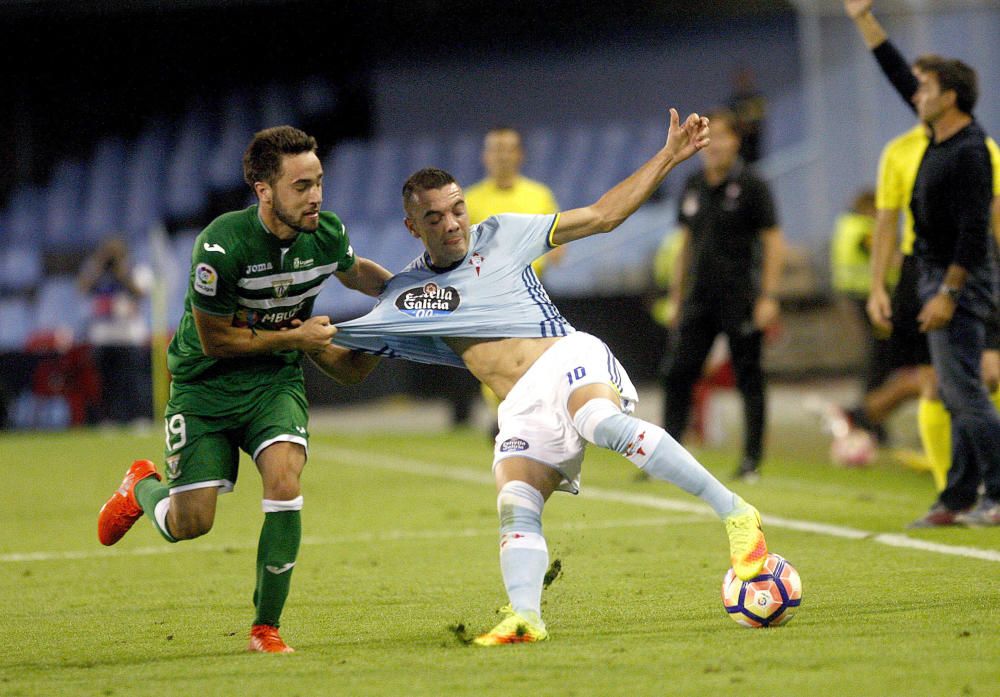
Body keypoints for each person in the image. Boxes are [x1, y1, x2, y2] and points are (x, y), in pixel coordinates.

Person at [332, 108, 769, 645]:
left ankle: (737, 513)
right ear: (412, 226)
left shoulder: (505, 234)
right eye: (435, 218)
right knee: (516, 500)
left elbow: (604, 215)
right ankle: (526, 617)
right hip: (518, 403)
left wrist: (669, 157)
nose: (451, 224)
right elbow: (348, 362)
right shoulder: (410, 295)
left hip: (565, 357)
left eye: (457, 210)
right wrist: (292, 336)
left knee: (600, 421)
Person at [96, 126, 391, 653]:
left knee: (284, 478)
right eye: (301, 186)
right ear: (264, 190)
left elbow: (357, 274)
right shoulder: (221, 245)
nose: (316, 196)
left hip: (271, 381)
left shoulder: (325, 233)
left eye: (319, 182)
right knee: (192, 524)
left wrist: (413, 295)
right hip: (204, 386)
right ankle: (142, 485)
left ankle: (265, 628)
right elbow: (215, 340)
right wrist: (298, 334)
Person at [846, 0, 1000, 527]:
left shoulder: (972, 151)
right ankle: (957, 498)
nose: (917, 95)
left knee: (965, 393)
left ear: (950, 96)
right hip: (935, 275)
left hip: (959, 281)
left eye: (928, 88)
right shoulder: (940, 138)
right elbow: (896, 72)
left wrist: (948, 293)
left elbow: (976, 234)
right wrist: (865, 20)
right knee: (957, 392)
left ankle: (996, 494)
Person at [868, 117, 1000, 490]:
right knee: (932, 383)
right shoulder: (899, 150)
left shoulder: (981, 147)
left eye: (927, 87)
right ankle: (951, 490)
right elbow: (886, 221)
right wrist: (878, 286)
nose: (919, 96)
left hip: (975, 265)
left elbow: (995, 217)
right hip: (920, 269)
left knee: (991, 374)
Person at [660, 109, 786, 482]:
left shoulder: (753, 185)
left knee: (749, 378)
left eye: (721, 137)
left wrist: (769, 296)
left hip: (742, 297)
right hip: (699, 298)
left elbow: (773, 242)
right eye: (707, 139)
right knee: (678, 372)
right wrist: (676, 296)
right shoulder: (693, 184)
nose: (713, 146)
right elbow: (684, 244)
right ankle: (667, 458)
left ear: (736, 142)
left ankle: (751, 460)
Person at [464, 126, 563, 429]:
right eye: (496, 148)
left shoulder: (539, 196)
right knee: (495, 360)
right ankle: (504, 414)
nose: (502, 155)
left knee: (537, 361)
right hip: (489, 294)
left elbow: (558, 247)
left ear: (520, 154)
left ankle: (525, 418)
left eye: (508, 148)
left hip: (531, 292)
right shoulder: (470, 200)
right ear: (485, 156)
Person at [830, 189, 920, 447]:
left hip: (860, 298)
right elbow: (891, 259)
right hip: (870, 300)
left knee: (881, 362)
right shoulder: (865, 229)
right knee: (880, 362)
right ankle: (865, 418)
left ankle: (867, 417)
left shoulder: (847, 225)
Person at [77, 236, 154, 425]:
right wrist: (99, 269)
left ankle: (139, 417)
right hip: (103, 335)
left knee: (134, 380)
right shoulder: (96, 271)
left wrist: (121, 272)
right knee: (107, 382)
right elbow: (82, 288)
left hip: (129, 335)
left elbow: (141, 292)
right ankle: (110, 418)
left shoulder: (136, 269)